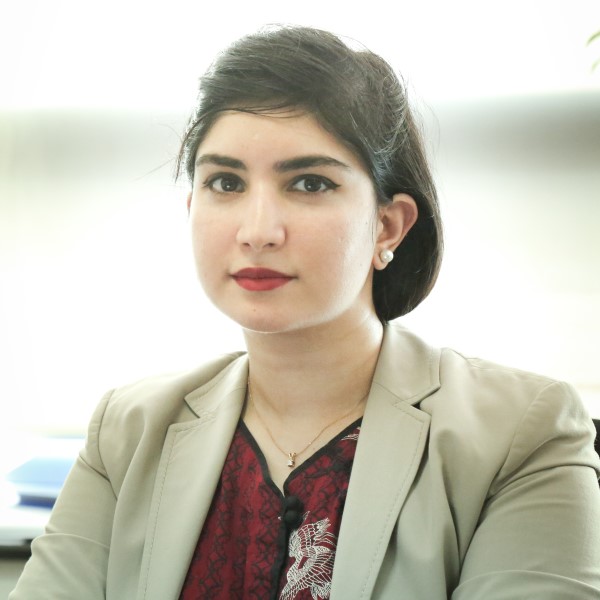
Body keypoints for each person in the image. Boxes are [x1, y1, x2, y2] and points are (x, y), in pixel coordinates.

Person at [10, 25, 600, 600]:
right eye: (225, 182)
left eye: (310, 183)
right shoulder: (129, 428)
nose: (257, 230)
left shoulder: (521, 433)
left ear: (387, 226)